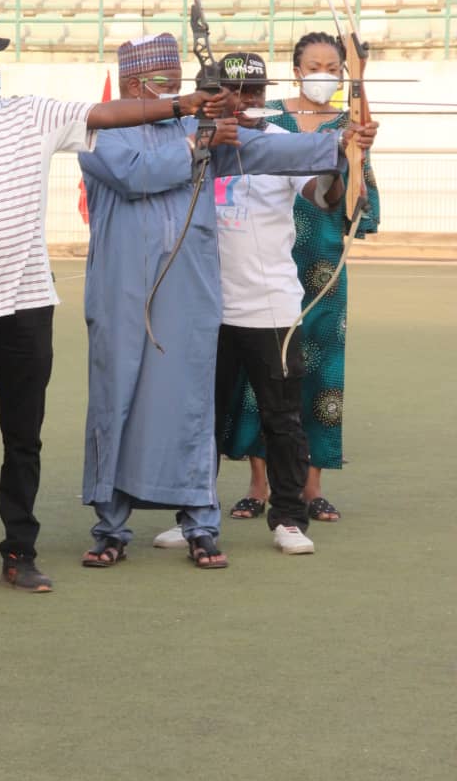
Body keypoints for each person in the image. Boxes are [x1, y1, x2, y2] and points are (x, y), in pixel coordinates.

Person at [0, 16, 226, 596]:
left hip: (28, 305)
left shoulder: (30, 114)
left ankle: (20, 552)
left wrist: (183, 104)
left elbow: (106, 115)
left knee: (23, 436)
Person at [78, 35, 357, 572]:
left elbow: (265, 150)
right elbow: (138, 173)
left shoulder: (199, 130)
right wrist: (199, 139)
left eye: (176, 78)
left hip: (188, 294)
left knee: (189, 406)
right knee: (116, 404)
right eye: (163, 81)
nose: (174, 89)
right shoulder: (99, 132)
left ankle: (200, 525)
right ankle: (110, 526)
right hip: (121, 294)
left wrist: (340, 141)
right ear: (135, 86)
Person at [154, 52, 377, 555]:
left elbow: (324, 197)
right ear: (211, 96)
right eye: (234, 93)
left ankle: (290, 517)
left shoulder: (281, 143)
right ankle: (193, 514)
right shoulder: (187, 141)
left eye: (254, 92)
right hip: (202, 304)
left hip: (270, 304)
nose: (247, 102)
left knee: (282, 415)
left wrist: (343, 160)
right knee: (199, 416)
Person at [223, 34, 380, 522]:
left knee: (321, 377)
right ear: (294, 70)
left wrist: (352, 150)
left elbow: (356, 202)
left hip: (324, 264)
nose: (323, 73)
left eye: (333, 66)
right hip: (262, 263)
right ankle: (259, 484)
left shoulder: (346, 124)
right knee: (260, 379)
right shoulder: (263, 115)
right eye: (313, 64)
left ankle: (312, 487)